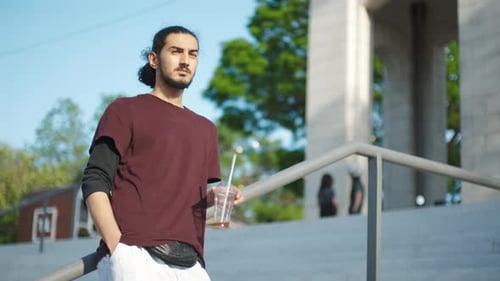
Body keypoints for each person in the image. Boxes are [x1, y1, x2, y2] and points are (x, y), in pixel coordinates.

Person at [81, 25, 242, 281]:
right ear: (154, 59)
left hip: (191, 264)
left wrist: (214, 197)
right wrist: (118, 247)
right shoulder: (125, 110)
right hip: (135, 256)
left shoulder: (206, 129)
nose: (185, 60)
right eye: (176, 51)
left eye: (193, 54)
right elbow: (95, 179)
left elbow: (185, 193)